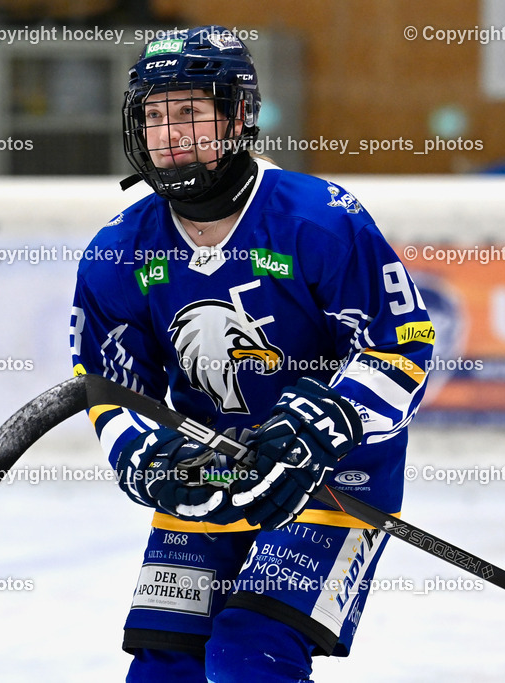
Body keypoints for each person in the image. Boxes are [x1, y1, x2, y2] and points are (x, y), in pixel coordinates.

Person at [69, 25, 433, 682]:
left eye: (188, 112)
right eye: (154, 115)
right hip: (208, 473)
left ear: (239, 116)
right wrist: (146, 455)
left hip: (333, 479)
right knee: (163, 666)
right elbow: (109, 381)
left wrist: (328, 421)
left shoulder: (319, 219)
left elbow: (401, 344)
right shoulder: (118, 249)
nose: (169, 133)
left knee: (250, 648)